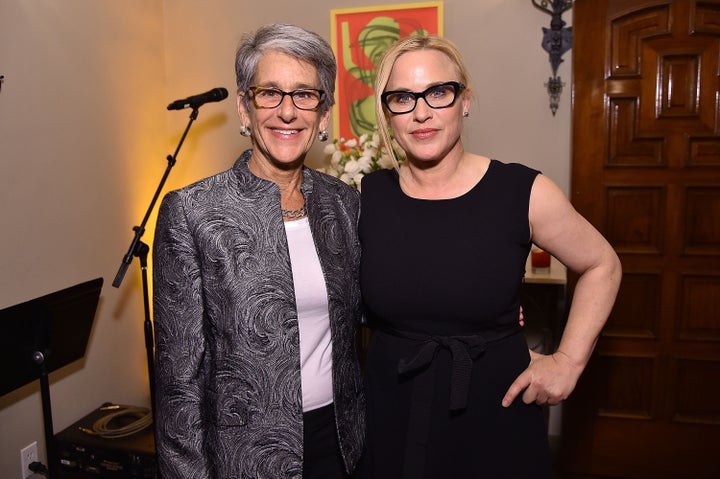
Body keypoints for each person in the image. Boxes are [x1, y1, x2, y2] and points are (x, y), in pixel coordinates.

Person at [358, 34, 622, 478]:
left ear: (465, 101)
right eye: (402, 97)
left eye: (438, 92)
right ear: (387, 111)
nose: (421, 111)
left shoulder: (522, 191)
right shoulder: (366, 198)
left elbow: (602, 264)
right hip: (391, 412)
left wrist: (568, 361)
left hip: (494, 414)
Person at [152, 23, 365, 479]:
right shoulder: (192, 212)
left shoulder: (343, 203)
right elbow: (177, 384)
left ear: (323, 115)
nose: (287, 111)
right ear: (244, 108)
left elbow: (377, 309)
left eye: (305, 95)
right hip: (243, 456)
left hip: (342, 444)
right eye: (269, 93)